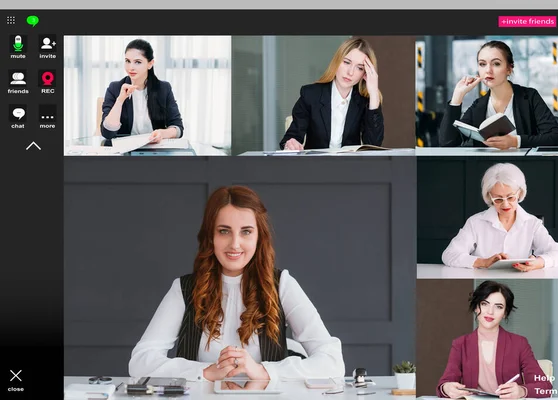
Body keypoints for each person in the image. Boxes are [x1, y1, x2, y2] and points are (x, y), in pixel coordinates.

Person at [129, 186, 345, 382]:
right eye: (224, 231)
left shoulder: (282, 285)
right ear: (210, 236)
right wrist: (205, 372)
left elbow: (332, 361)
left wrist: (263, 372)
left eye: (246, 232)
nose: (235, 244)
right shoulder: (184, 288)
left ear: (259, 237)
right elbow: (140, 362)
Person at [439, 40, 558, 149]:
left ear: (509, 69)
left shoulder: (529, 97)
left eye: (496, 64)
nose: (488, 70)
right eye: (482, 64)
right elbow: (447, 143)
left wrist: (515, 142)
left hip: (526, 168)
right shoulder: (479, 106)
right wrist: (457, 97)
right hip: (486, 170)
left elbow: (557, 139)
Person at [437, 281, 553, 399]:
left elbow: (545, 387)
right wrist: (446, 388)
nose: (490, 311)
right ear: (477, 307)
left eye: (498, 307)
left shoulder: (519, 343)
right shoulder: (460, 344)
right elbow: (445, 383)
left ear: (505, 313)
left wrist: (522, 391)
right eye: (485, 304)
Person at [442, 163, 558, 271]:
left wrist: (538, 263)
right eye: (498, 199)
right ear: (489, 197)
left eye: (510, 197)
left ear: (520, 193)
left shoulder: (532, 223)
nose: (505, 204)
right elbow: (449, 254)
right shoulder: (475, 222)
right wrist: (483, 262)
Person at [279, 37, 384, 150]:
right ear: (337, 61)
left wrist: (373, 94)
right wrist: (291, 144)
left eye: (359, 68)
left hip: (350, 166)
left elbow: (374, 146)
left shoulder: (365, 101)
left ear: (365, 73)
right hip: (316, 165)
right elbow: (292, 137)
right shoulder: (311, 95)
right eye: (346, 62)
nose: (350, 72)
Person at [101, 39, 184, 142]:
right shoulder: (115, 88)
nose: (131, 67)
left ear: (150, 64)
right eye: (127, 61)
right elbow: (107, 133)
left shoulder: (164, 88)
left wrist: (162, 133)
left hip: (155, 149)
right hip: (125, 150)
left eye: (137, 62)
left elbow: (178, 128)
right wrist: (120, 100)